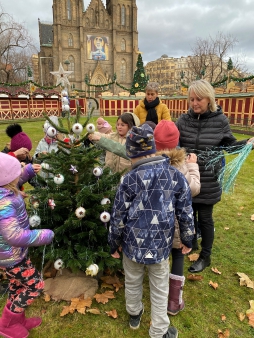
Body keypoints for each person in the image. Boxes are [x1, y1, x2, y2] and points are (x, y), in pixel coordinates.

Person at [108, 124, 194, 338]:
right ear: (153, 148)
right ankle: (159, 331)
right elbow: (186, 211)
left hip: (132, 246)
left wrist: (113, 242)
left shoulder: (129, 179)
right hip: (160, 247)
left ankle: (134, 314)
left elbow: (118, 216)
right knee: (159, 287)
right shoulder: (175, 175)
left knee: (133, 280)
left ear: (130, 152)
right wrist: (188, 238)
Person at [175, 79, 254, 273]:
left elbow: (229, 145)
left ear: (209, 98)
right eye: (191, 99)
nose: (194, 103)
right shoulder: (183, 120)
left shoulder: (220, 121)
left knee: (205, 218)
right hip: (187, 177)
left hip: (209, 178)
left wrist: (247, 144)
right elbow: (173, 143)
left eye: (199, 99)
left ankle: (205, 256)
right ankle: (189, 244)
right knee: (187, 215)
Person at [0, 153, 54, 338]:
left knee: (17, 285)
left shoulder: (6, 188)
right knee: (35, 286)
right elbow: (13, 236)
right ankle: (7, 323)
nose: (20, 173)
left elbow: (14, 179)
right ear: (8, 178)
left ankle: (17, 319)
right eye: (18, 171)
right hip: (10, 256)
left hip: (15, 253)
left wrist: (28, 171)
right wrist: (43, 235)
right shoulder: (3, 202)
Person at [154, 120, 200, 315]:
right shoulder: (180, 166)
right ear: (177, 141)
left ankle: (158, 294)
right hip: (178, 224)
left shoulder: (151, 165)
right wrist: (192, 167)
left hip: (157, 223)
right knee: (178, 255)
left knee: (161, 260)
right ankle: (173, 302)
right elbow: (194, 189)